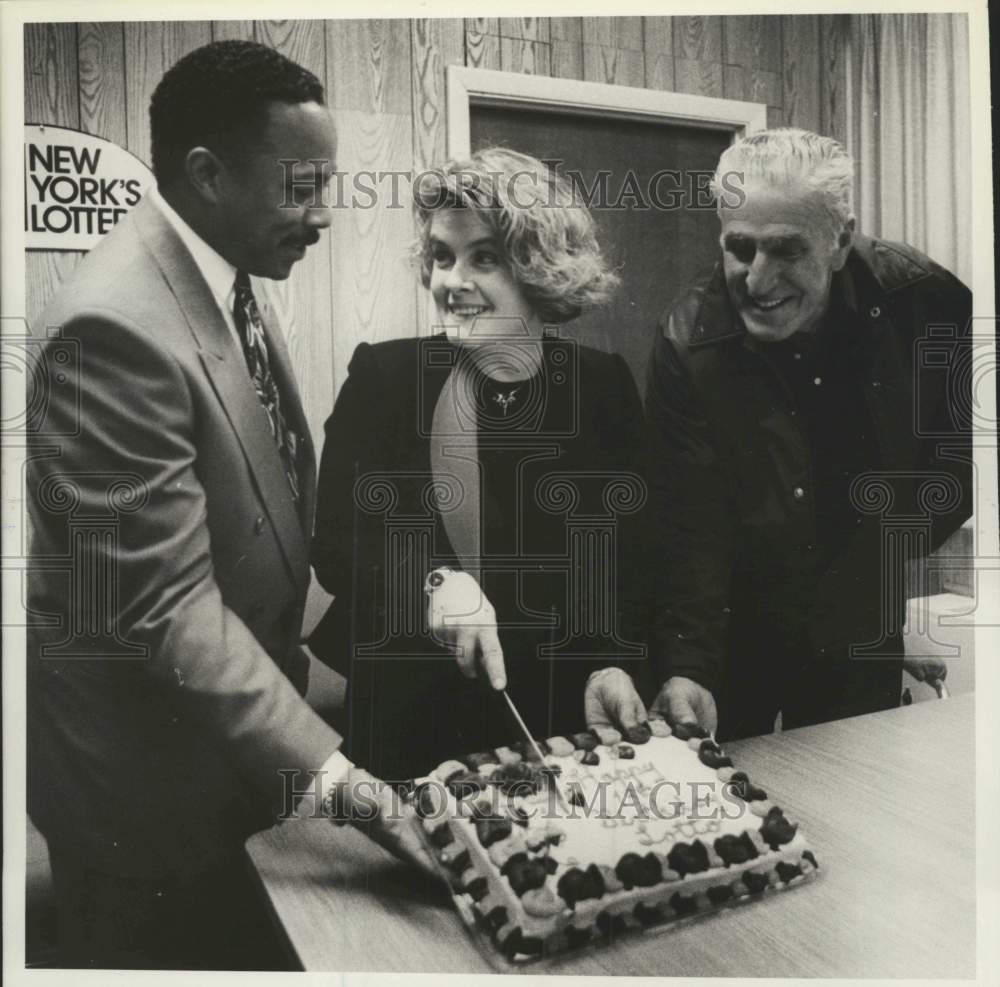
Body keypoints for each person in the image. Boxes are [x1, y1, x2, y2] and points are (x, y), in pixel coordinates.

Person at [26, 40, 429, 971]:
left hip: (224, 755)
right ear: (206, 174)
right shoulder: (114, 327)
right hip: (144, 797)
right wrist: (344, 783)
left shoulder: (223, 271)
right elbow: (167, 607)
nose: (323, 216)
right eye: (301, 188)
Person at [310, 148, 651, 782]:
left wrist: (612, 663)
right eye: (442, 256)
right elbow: (335, 546)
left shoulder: (601, 386)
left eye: (484, 258)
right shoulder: (386, 378)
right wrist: (433, 583)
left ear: (539, 269)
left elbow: (629, 559)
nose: (452, 281)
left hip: (566, 718)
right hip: (415, 722)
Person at [645, 128, 972, 741]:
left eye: (787, 251)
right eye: (739, 248)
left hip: (859, 612)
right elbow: (688, 526)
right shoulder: (686, 341)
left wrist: (878, 558)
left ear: (840, 239)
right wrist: (686, 667)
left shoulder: (924, 301)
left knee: (857, 800)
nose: (758, 281)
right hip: (737, 623)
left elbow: (964, 460)